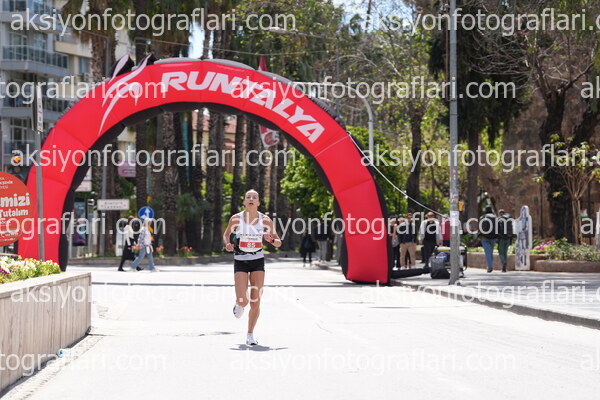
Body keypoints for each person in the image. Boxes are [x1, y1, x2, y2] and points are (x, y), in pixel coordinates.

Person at [223, 189, 281, 346]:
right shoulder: (236, 219)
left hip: (257, 260)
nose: (251, 199)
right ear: (244, 201)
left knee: (255, 301)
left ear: (258, 203)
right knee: (243, 300)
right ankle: (239, 303)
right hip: (240, 260)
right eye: (248, 196)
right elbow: (226, 234)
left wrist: (271, 240)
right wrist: (228, 244)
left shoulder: (265, 220)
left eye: (254, 197)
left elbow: (278, 242)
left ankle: (250, 334)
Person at [480, 205, 498, 273]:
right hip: (493, 238)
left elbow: (480, 227)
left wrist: (480, 235)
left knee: (488, 252)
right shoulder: (495, 217)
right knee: (490, 252)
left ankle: (490, 266)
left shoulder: (483, 217)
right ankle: (490, 265)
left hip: (485, 238)